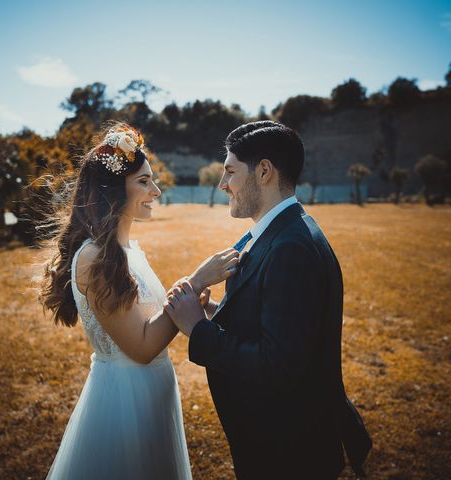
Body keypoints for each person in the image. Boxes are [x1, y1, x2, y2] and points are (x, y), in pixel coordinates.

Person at [164, 121, 372, 479]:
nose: (222, 184)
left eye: (230, 171)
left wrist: (198, 329)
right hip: (274, 442)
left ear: (263, 172)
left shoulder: (291, 247)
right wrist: (213, 311)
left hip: (288, 452)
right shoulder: (277, 231)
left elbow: (279, 366)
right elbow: (273, 319)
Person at [37, 123, 239, 480]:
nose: (156, 191)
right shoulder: (94, 257)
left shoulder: (128, 250)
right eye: (144, 182)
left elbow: (151, 320)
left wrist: (190, 300)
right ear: (114, 190)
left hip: (153, 395)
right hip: (123, 402)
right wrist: (196, 281)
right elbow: (142, 347)